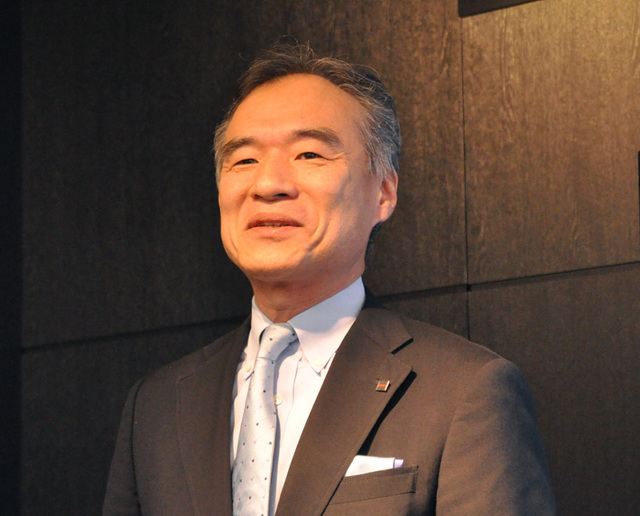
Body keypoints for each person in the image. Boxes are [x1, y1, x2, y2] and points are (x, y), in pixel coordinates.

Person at [103, 43, 555, 515]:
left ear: (384, 191)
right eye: (244, 160)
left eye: (309, 154)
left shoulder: (465, 390)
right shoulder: (156, 406)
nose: (268, 184)